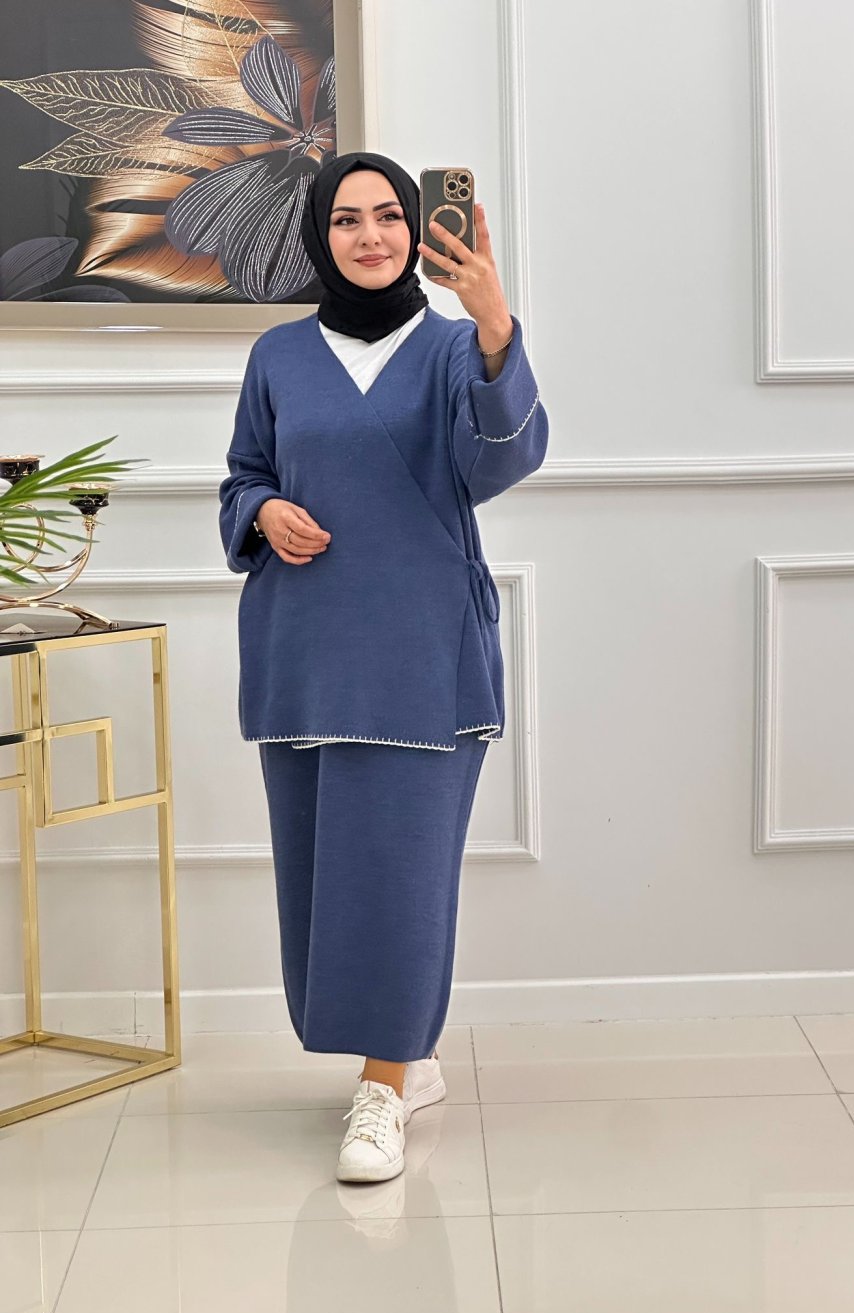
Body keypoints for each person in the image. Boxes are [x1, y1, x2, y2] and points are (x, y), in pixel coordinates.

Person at [218, 151, 548, 1183]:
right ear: (320, 237)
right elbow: (243, 477)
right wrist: (264, 511)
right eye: (347, 220)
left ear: (416, 228)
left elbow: (497, 462)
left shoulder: (452, 346)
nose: (370, 236)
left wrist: (493, 325)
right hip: (304, 649)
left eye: (389, 216)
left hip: (421, 649)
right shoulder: (279, 355)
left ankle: (384, 1085)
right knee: (322, 876)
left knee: (399, 875)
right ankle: (403, 1056)